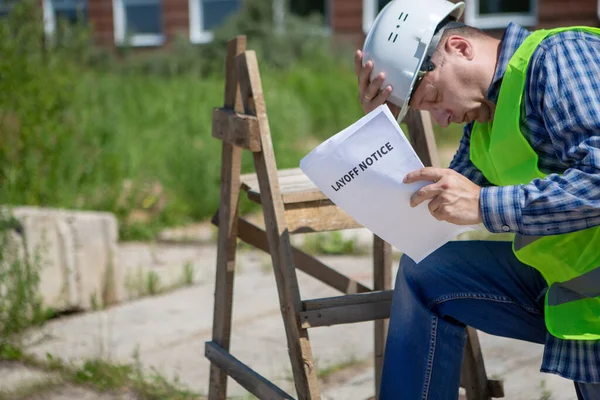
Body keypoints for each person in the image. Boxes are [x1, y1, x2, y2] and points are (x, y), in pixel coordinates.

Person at [354, 0, 600, 399]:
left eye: (433, 99)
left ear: (459, 48)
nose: (441, 119)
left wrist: (486, 206)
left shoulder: (558, 57)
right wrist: (376, 129)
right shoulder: (485, 119)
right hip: (575, 294)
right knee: (425, 273)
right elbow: (427, 209)